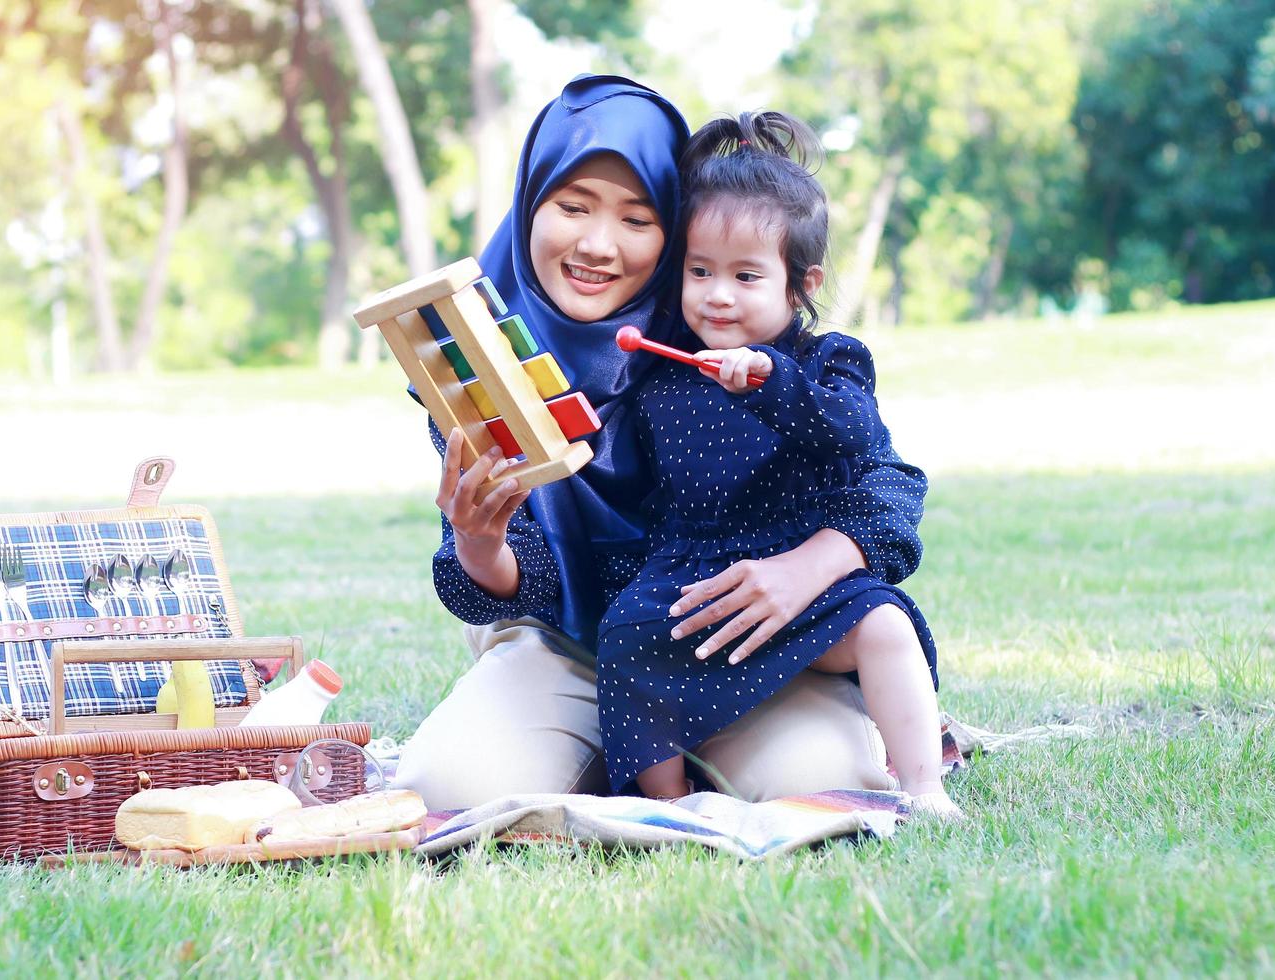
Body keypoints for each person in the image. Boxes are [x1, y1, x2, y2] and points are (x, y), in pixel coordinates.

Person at [392, 76, 929, 810]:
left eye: (637, 219)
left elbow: (886, 480)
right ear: (526, 209)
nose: (595, 244)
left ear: (675, 232)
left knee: (822, 789)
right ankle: (614, 752)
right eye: (570, 207)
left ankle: (683, 751)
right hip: (572, 646)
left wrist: (804, 570)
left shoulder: (729, 334)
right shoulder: (483, 368)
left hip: (746, 634)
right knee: (449, 790)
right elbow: (521, 581)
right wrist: (478, 544)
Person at [595, 109, 959, 817]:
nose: (717, 294)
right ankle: (671, 803)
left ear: (799, 285)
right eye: (698, 271)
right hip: (692, 570)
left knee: (883, 624)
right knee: (624, 636)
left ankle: (923, 785)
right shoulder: (662, 376)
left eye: (745, 276)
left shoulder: (823, 363)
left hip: (805, 570)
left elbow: (857, 435)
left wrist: (773, 381)